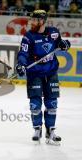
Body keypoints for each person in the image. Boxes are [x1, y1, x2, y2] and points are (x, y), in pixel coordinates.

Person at [16, 10, 71, 145]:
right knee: (35, 104)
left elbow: (62, 44)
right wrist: (21, 65)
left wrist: (65, 45)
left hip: (51, 71)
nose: (32, 23)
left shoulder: (54, 32)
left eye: (35, 20)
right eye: (31, 20)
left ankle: (50, 131)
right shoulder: (28, 36)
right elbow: (23, 53)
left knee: (52, 104)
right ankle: (37, 129)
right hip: (34, 72)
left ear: (42, 21)